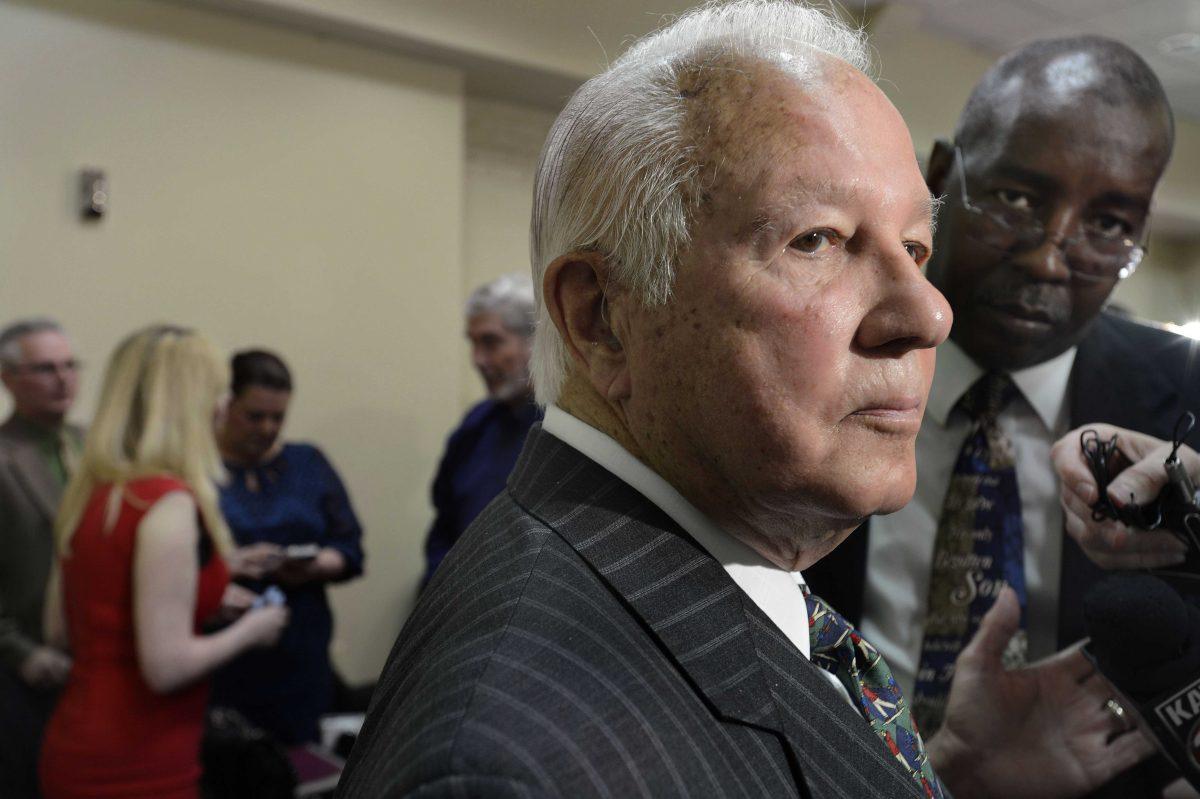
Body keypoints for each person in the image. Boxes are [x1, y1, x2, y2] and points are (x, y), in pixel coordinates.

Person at [337, 4, 1151, 797]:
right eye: (818, 240)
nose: (929, 313)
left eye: (914, 247)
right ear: (602, 318)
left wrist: (954, 778)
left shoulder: (722, 565)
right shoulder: (503, 765)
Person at [803, 34, 1197, 797]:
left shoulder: (1190, 400)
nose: (1052, 259)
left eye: (1109, 225)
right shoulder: (818, 359)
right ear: (943, 176)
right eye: (1017, 199)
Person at [38, 326, 289, 799]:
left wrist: (200, 604)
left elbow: (62, 632)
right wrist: (255, 629)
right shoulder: (167, 503)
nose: (222, 407)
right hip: (138, 755)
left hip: (77, 740)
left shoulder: (95, 493)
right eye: (217, 393)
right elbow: (165, 667)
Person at [211, 349, 365, 744]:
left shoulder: (307, 462)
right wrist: (230, 565)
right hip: (223, 655)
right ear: (226, 405)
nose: (267, 428)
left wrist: (313, 566)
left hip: (302, 648)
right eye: (255, 416)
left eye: (278, 417)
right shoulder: (200, 470)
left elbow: (349, 548)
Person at [0, 318, 82, 798]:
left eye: (70, 365)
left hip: (97, 663)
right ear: (8, 377)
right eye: (45, 368)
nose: (63, 378)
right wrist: (19, 650)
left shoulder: (92, 444)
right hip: (26, 667)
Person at [420, 274, 542, 587]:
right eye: (473, 344)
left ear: (536, 340)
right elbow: (444, 528)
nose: (477, 360)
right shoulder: (474, 426)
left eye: (490, 342)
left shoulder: (569, 428)